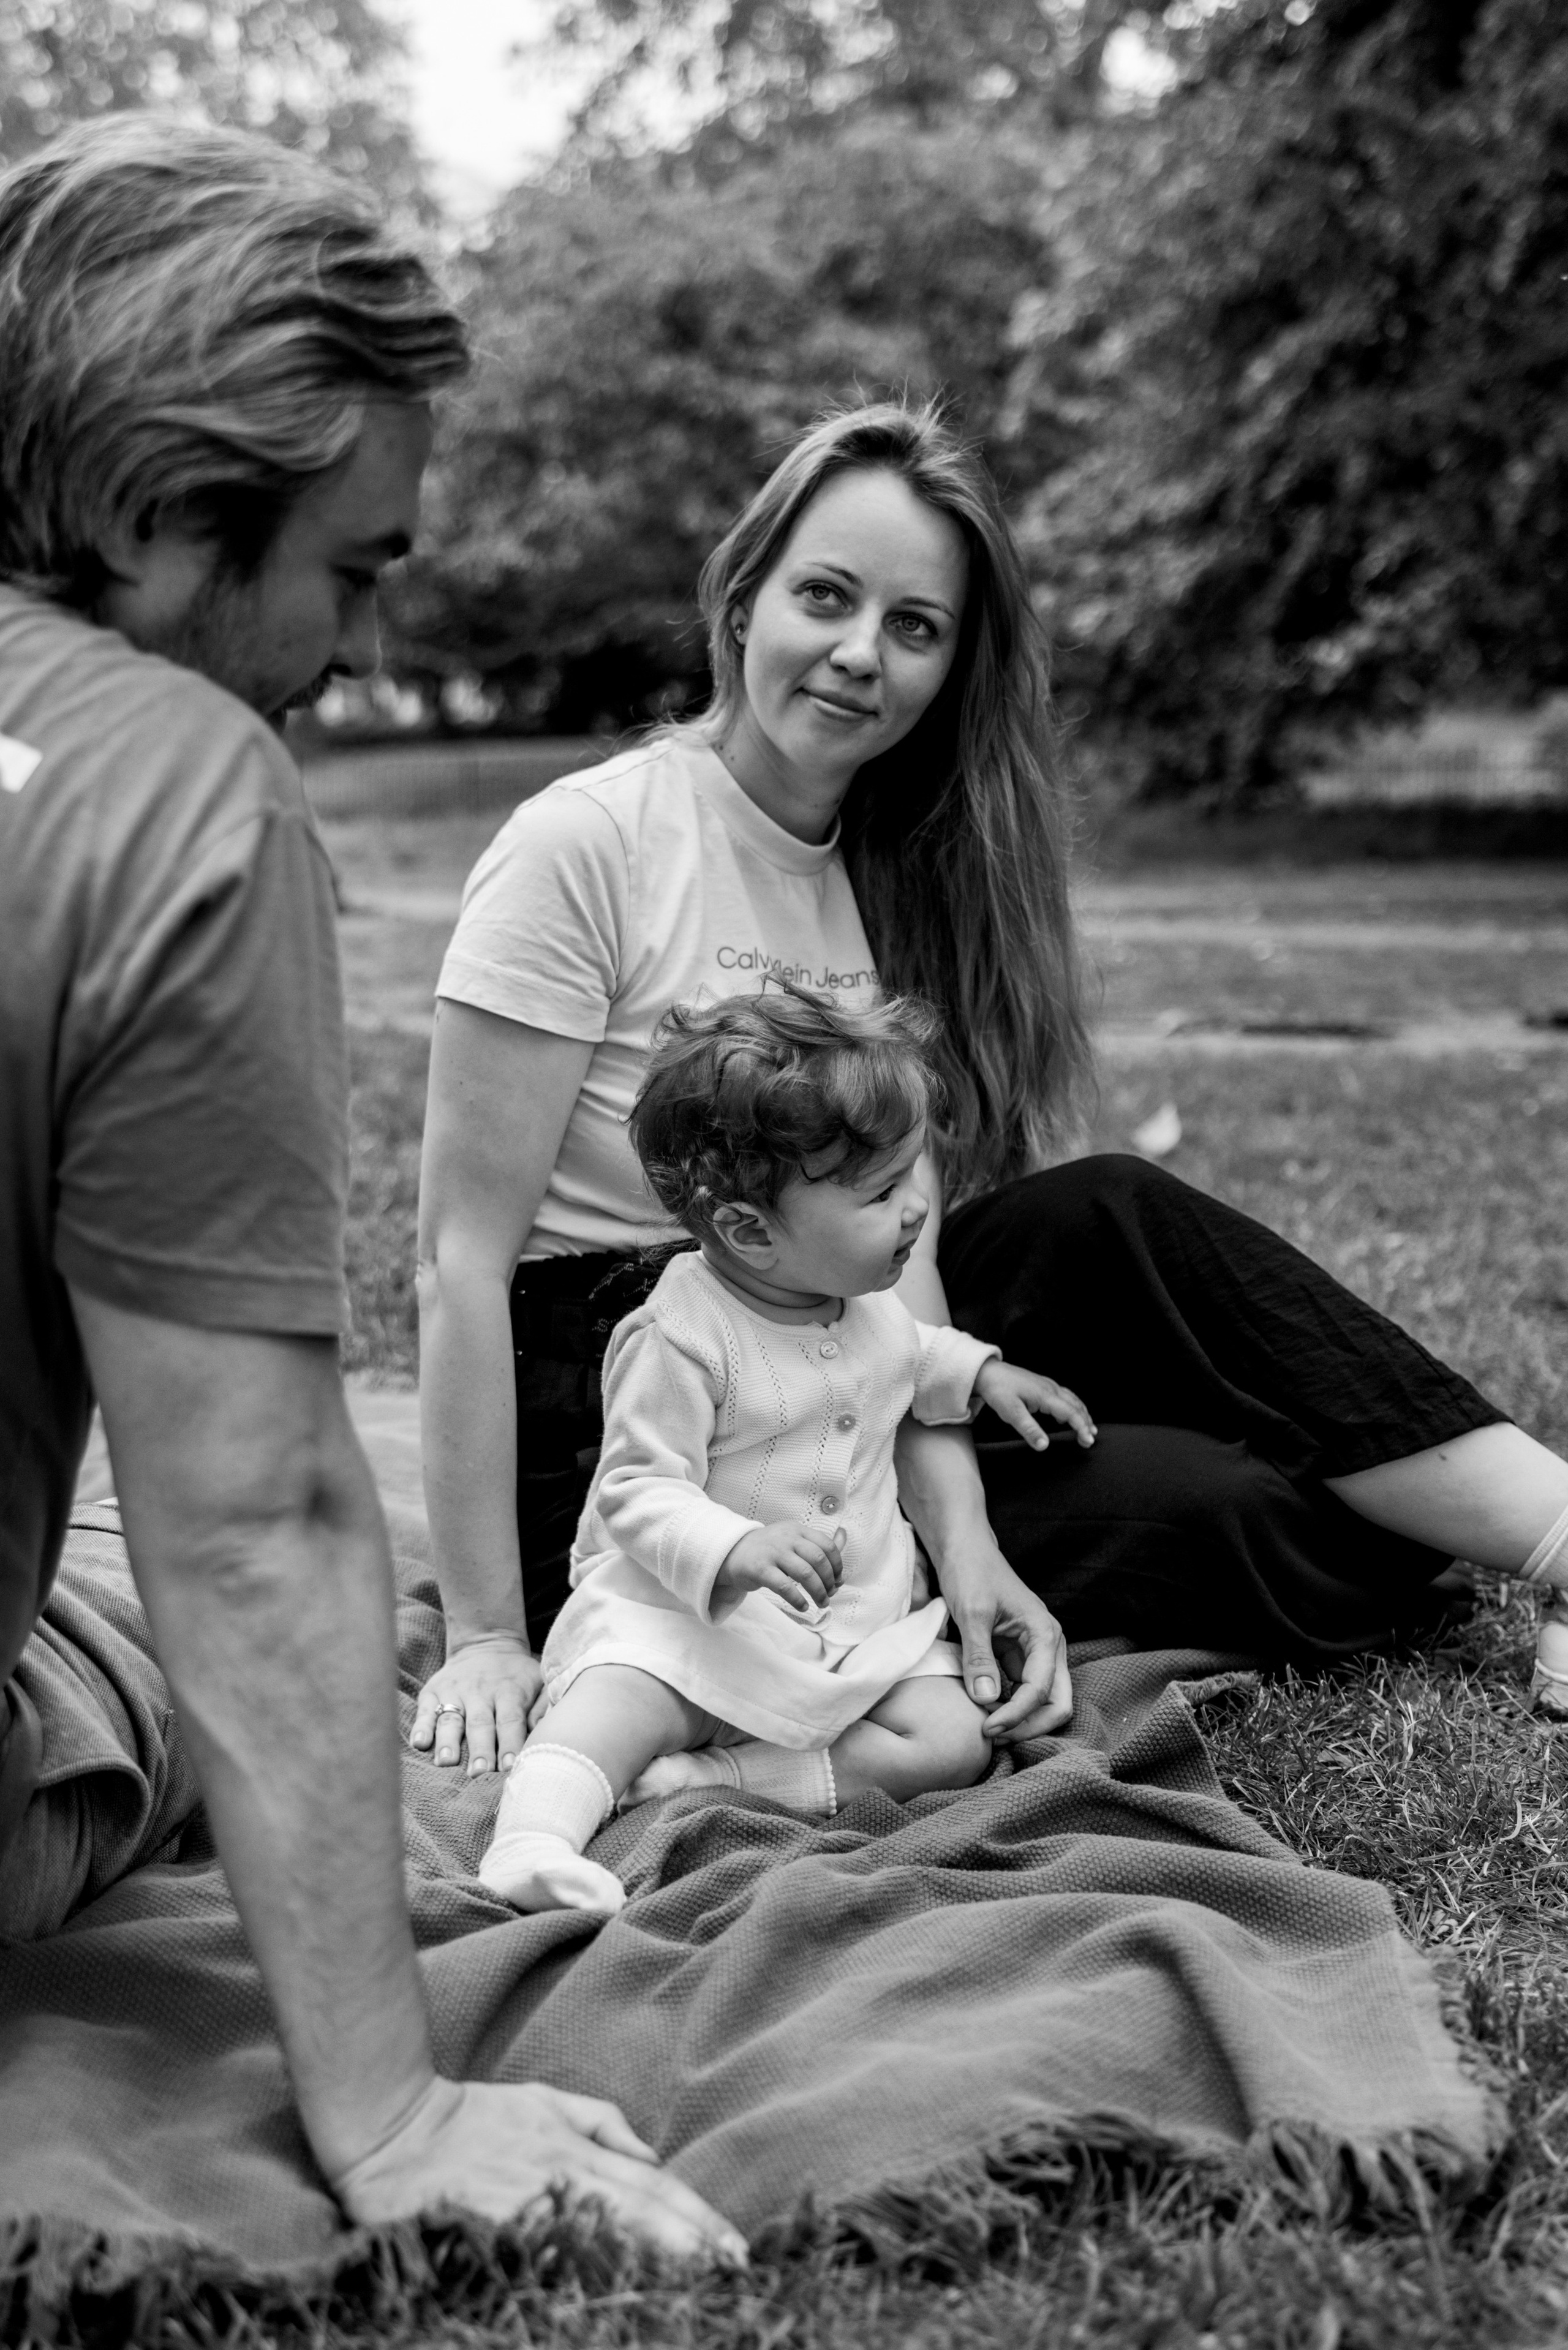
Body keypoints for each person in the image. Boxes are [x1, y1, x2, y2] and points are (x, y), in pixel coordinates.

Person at [0, 115, 741, 2264]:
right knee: (178, 1593)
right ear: (157, 512)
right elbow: (258, 1523)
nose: (341, 648)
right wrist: (390, 2102)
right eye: (352, 568)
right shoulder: (172, 798)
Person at [413, 396, 1568, 1772]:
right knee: (1235, 1508)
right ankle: (1472, 1523)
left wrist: (960, 1547)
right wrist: (489, 1628)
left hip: (833, 1361)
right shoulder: (586, 843)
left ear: (953, 666)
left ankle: (1554, 1536)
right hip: (652, 1453)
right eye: (825, 597)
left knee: (1107, 1212)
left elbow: (895, 1283)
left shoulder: (879, 876)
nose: (859, 655)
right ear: (740, 601)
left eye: (914, 626)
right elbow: (458, 1260)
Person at [478, 984, 1096, 1915]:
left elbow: (910, 1357)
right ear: (747, 1230)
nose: (918, 1209)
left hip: (845, 1621)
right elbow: (636, 1489)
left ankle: (714, 1779)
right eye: (882, 1193)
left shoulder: (864, 1303)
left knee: (952, 1737)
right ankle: (530, 1840)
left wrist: (982, 1374)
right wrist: (733, 1548)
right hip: (697, 1616)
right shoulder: (679, 1334)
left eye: (912, 1176)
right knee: (618, 1702)